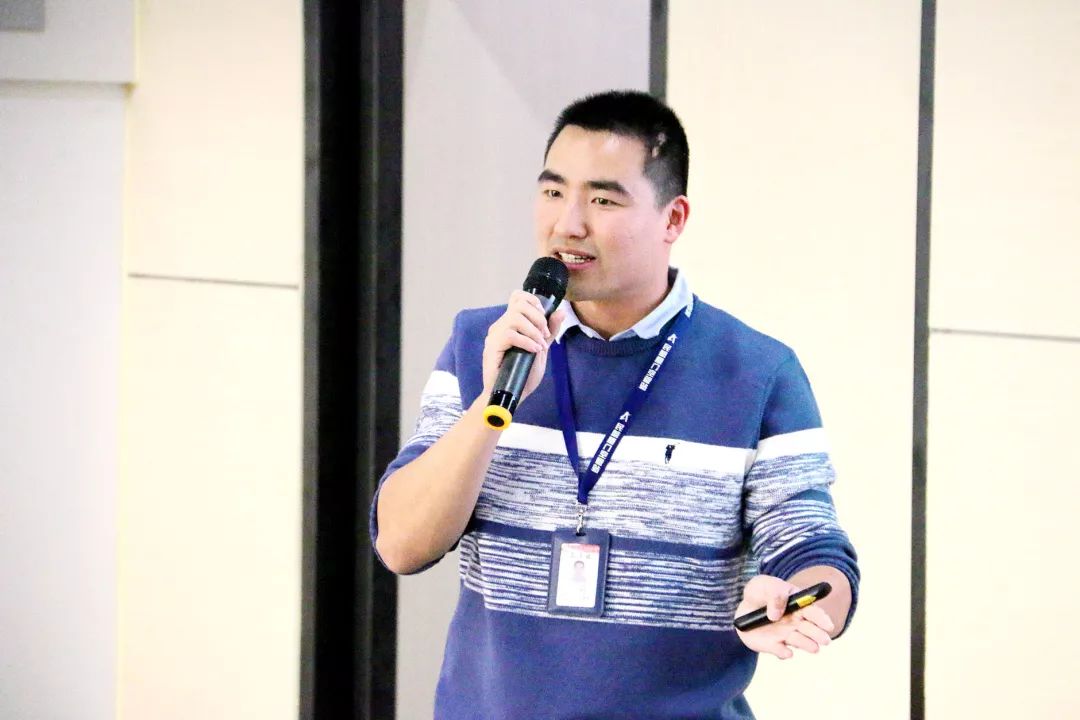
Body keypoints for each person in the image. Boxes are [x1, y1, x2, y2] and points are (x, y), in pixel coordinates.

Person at [371, 90, 859, 719]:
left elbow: (814, 549)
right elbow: (402, 544)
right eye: (553, 192)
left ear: (673, 219)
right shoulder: (481, 344)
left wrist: (795, 601)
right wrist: (493, 404)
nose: (567, 224)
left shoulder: (758, 371)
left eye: (602, 200)